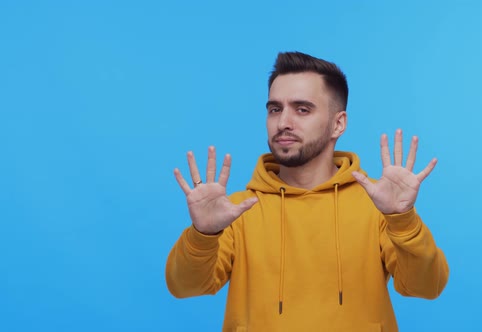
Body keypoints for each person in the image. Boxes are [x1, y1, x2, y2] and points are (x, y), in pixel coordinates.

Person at [166, 51, 449, 331]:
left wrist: (402, 219)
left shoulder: (376, 205)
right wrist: (202, 235)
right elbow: (185, 287)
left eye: (302, 109)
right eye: (275, 109)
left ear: (338, 124)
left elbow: (426, 287)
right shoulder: (237, 211)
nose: (283, 122)